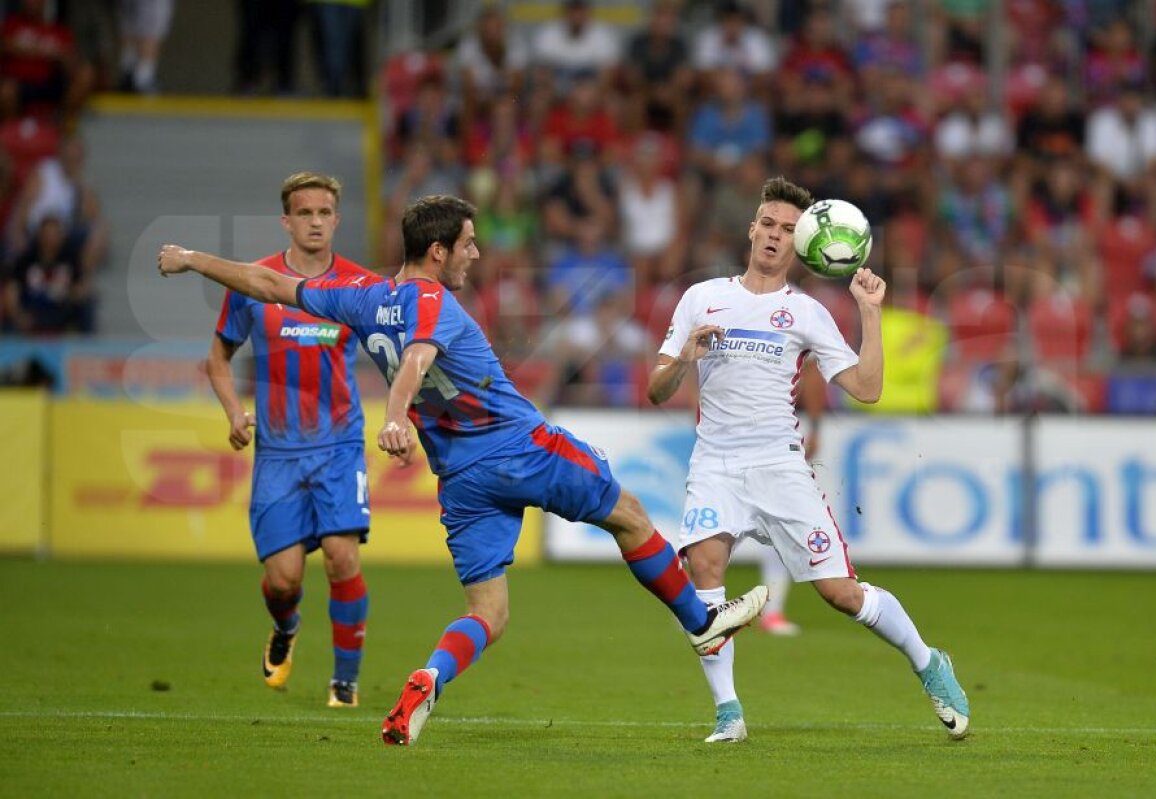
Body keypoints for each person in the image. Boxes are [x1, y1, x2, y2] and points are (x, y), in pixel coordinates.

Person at [158, 194, 768, 747]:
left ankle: (429, 676)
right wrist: (395, 416)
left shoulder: (364, 297)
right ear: (438, 250)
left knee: (488, 613)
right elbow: (419, 356)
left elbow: (266, 283)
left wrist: (192, 259)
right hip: (522, 448)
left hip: (462, 480)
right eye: (468, 244)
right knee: (630, 518)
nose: (475, 254)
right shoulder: (432, 301)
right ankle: (702, 625)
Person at [647, 176, 970, 744]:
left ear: (802, 246)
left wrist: (870, 312)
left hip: (779, 467)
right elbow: (656, 389)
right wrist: (686, 358)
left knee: (840, 594)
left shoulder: (808, 313)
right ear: (751, 229)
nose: (774, 236)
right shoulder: (701, 298)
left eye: (788, 231)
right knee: (704, 574)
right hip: (715, 464)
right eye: (768, 225)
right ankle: (729, 713)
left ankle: (928, 661)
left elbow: (866, 389)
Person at [204, 172, 374, 709]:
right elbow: (217, 358)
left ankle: (344, 682)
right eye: (305, 213)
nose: (316, 222)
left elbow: (400, 351)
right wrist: (234, 412)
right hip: (277, 452)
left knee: (344, 558)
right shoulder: (253, 284)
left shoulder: (358, 287)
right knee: (283, 581)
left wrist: (401, 416)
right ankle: (286, 626)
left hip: (340, 446)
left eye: (325, 213)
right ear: (287, 220)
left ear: (337, 219)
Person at [757, 356, 825, 636]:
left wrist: (815, 427)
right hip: (752, 438)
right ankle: (693, 602)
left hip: (769, 439)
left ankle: (693, 604)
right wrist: (816, 427)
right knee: (773, 525)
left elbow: (810, 372)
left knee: (772, 526)